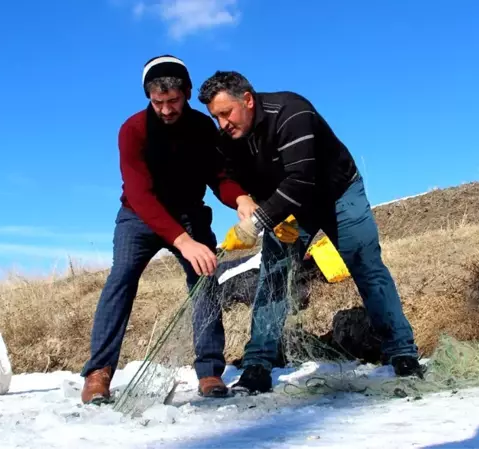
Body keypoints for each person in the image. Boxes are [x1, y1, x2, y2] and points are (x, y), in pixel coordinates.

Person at [196, 70, 424, 395]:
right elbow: (239, 180)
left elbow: (300, 179)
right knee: (273, 277)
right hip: (285, 206)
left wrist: (257, 222)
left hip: (338, 195)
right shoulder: (229, 139)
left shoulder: (292, 113)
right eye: (215, 117)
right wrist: (260, 209)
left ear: (247, 99)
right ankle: (258, 363)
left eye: (225, 113)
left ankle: (402, 352)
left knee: (366, 266)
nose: (222, 124)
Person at [80, 56, 252, 404]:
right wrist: (183, 241)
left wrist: (241, 200)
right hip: (139, 216)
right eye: (158, 103)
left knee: (205, 279)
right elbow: (140, 194)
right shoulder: (132, 130)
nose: (166, 110)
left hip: (190, 213)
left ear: (187, 93)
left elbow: (219, 179)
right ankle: (98, 374)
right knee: (122, 277)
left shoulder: (204, 129)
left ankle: (209, 372)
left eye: (173, 101)